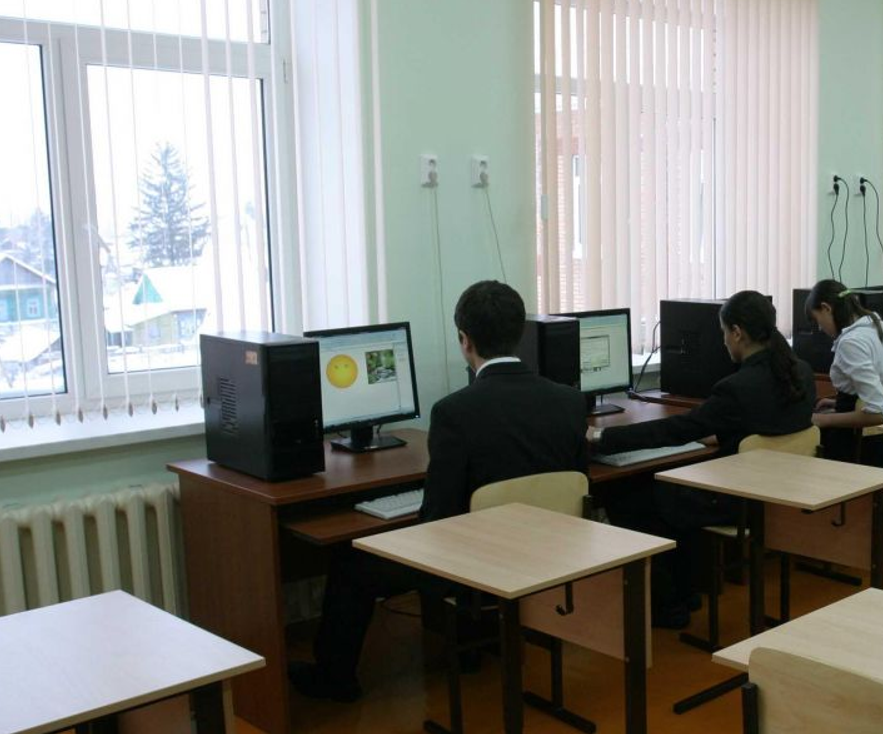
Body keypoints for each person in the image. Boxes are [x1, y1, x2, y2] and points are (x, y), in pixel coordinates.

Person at [290, 280, 588, 702]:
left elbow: (437, 519)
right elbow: (576, 484)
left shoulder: (453, 413)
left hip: (476, 565)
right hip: (548, 554)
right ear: (520, 332)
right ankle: (475, 643)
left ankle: (334, 680)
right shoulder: (569, 401)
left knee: (349, 562)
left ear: (464, 340)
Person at [592, 290, 815, 627]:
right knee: (671, 492)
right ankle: (687, 591)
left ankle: (670, 603)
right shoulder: (802, 373)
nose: (723, 341)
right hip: (777, 493)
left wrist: (603, 438)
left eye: (723, 332)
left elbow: (676, 430)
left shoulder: (738, 387)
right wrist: (720, 432)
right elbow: (763, 425)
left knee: (628, 494)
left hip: (733, 500)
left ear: (737, 332)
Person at [805, 280, 883, 460]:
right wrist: (841, 405)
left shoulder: (851, 342)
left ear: (826, 308)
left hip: (856, 447)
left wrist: (822, 419)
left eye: (817, 320)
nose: (820, 328)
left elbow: (880, 412)